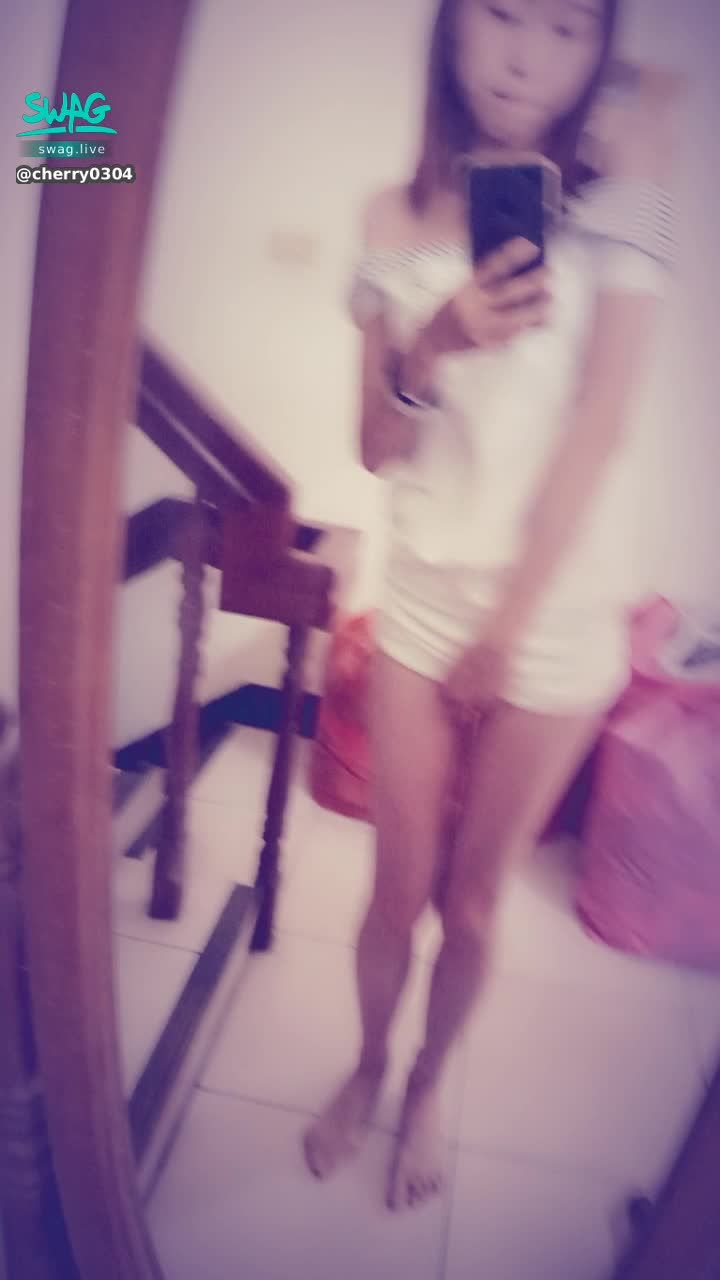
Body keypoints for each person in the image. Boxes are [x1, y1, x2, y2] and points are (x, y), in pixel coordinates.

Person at [303, 0, 677, 1211]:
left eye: (567, 28)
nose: (526, 56)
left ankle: (426, 1087)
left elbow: (599, 427)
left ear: (598, 49)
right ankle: (369, 1064)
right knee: (395, 890)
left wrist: (507, 631)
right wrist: (430, 345)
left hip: (556, 621)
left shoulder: (626, 205)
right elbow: (374, 445)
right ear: (451, 28)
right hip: (421, 599)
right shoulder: (389, 215)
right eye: (502, 14)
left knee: (472, 903)